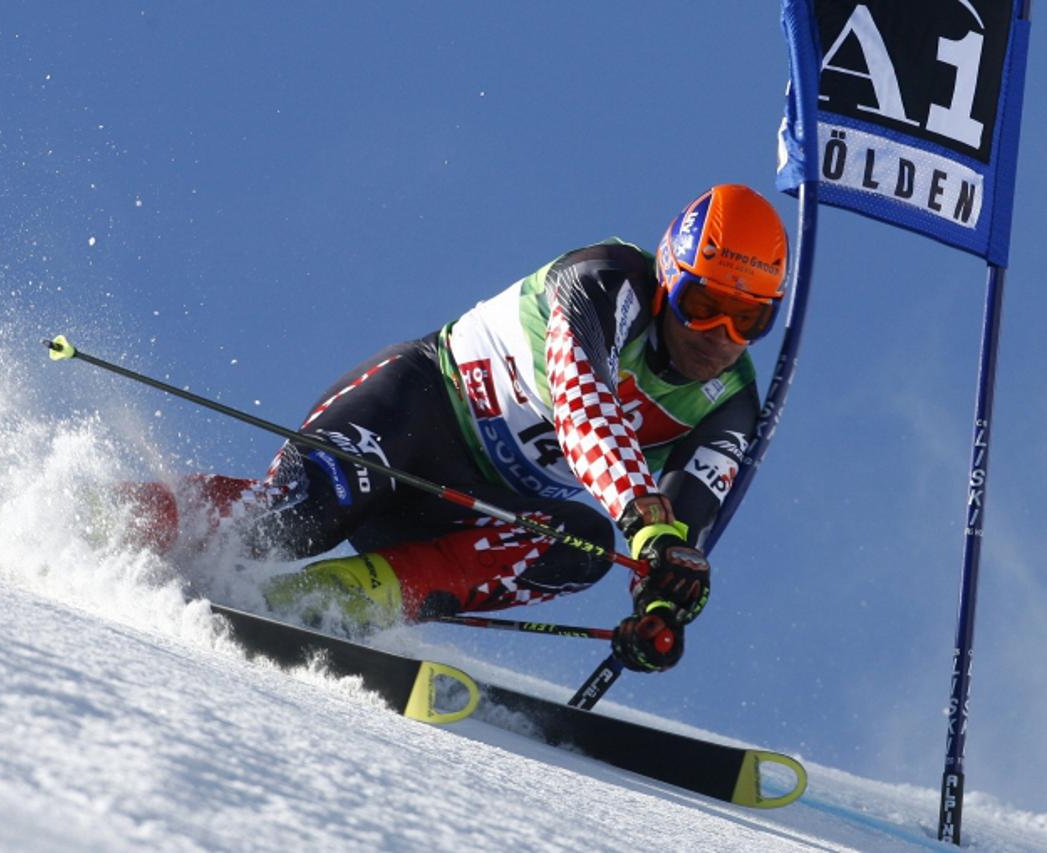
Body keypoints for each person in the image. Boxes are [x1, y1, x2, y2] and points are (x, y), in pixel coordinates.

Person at [127, 183, 788, 674]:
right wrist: (649, 526)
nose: (720, 335)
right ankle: (118, 519)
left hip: (468, 508)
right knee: (299, 518)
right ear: (668, 279)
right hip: (411, 416)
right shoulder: (605, 280)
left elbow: (677, 536)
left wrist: (663, 600)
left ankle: (323, 602)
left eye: (749, 319)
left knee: (583, 546)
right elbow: (585, 408)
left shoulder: (729, 403)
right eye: (703, 305)